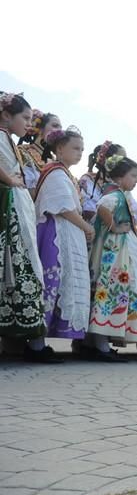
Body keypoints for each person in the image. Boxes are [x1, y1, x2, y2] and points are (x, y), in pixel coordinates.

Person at [0, 93, 52, 362]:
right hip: (9, 208)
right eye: (25, 118)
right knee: (16, 266)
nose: (29, 124)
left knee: (22, 267)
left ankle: (18, 341)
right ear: (6, 115)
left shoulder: (8, 138)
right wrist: (10, 179)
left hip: (17, 207)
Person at [35, 127, 94, 349]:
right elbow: (62, 207)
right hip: (56, 234)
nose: (79, 153)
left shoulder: (64, 173)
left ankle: (40, 343)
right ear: (59, 149)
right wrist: (86, 226)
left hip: (69, 232)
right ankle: (36, 344)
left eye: (82, 149)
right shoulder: (55, 172)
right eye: (75, 148)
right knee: (51, 283)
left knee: (61, 283)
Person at [86, 155, 137, 361]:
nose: (136, 180)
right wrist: (115, 227)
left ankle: (98, 344)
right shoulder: (115, 195)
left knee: (110, 292)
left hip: (118, 251)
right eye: (133, 176)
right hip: (114, 253)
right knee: (109, 290)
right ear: (120, 178)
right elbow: (102, 207)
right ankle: (100, 346)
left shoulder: (119, 194)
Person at [78, 141, 126, 222]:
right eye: (121, 159)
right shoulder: (89, 179)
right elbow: (88, 210)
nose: (125, 163)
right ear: (107, 160)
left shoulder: (121, 184)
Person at [17, 110, 61, 191]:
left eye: (60, 128)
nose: (59, 131)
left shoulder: (55, 160)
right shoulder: (22, 152)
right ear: (40, 129)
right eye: (55, 126)